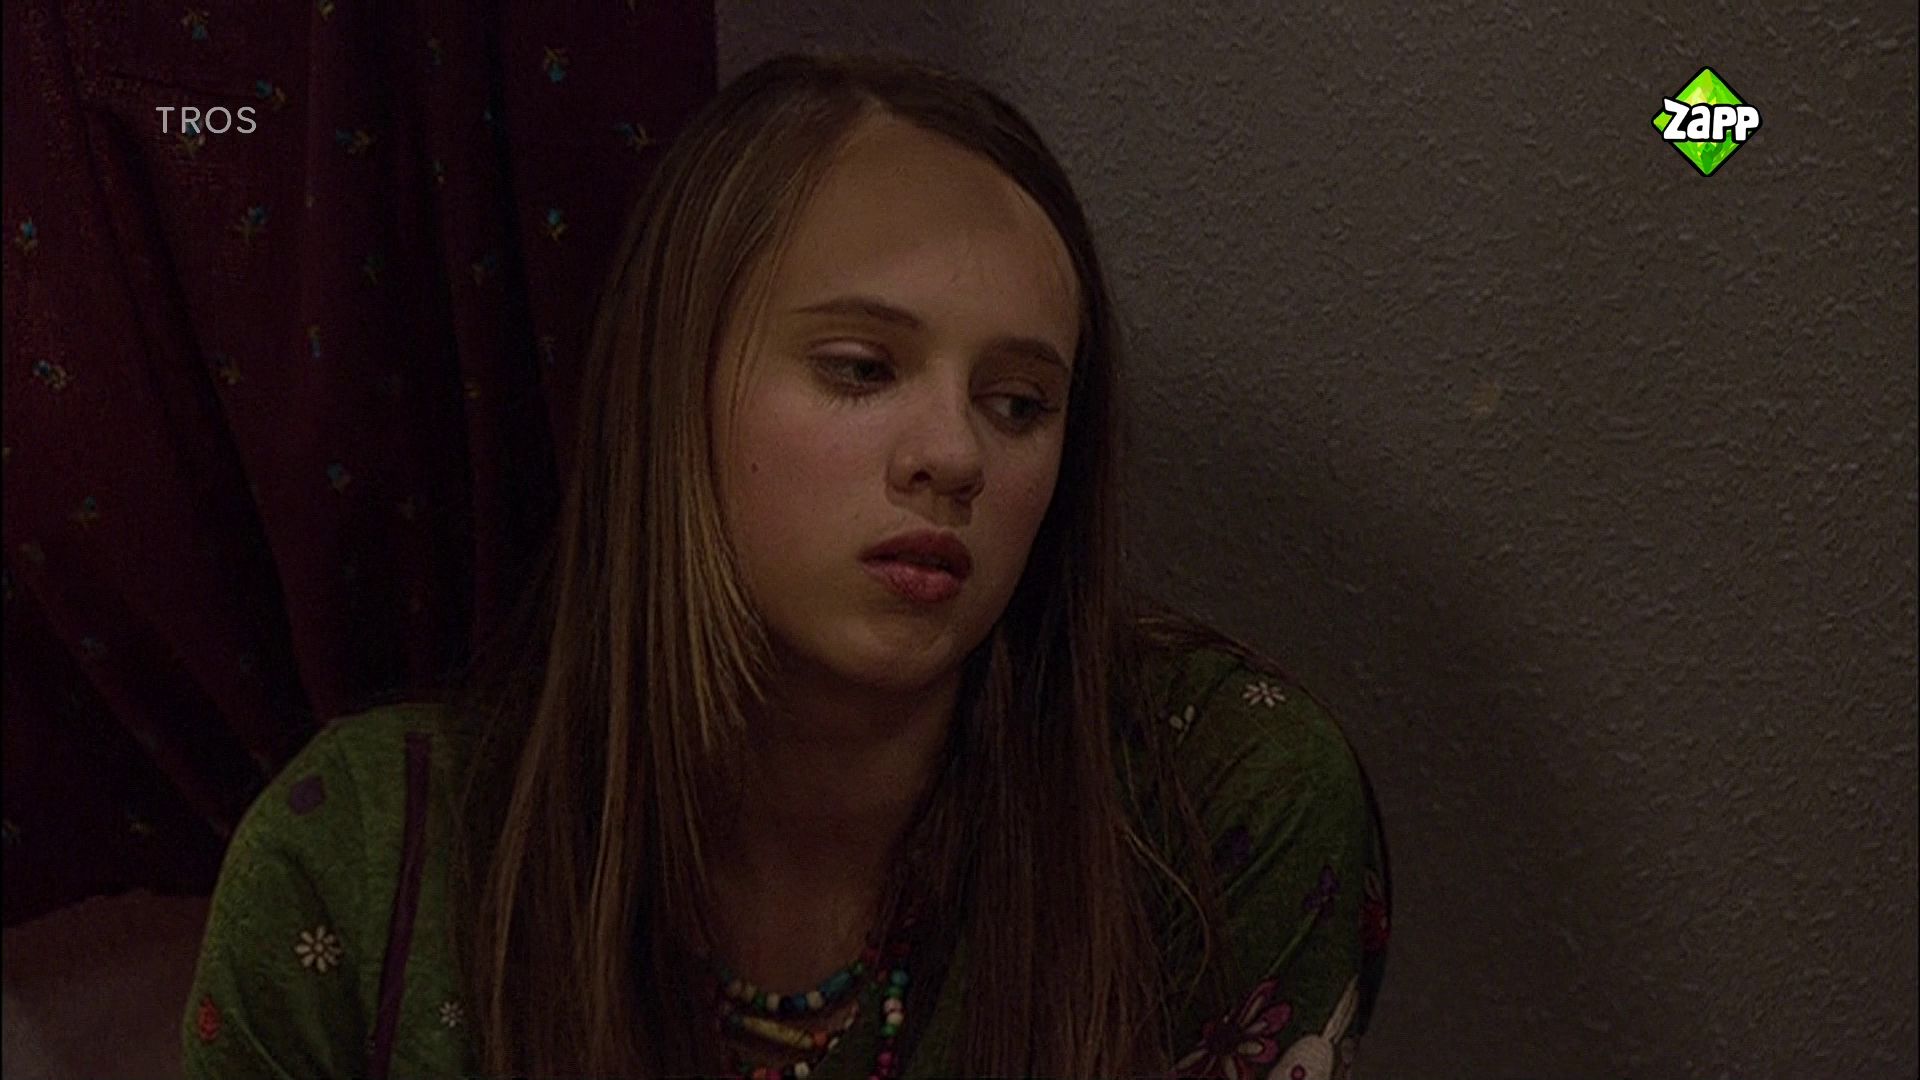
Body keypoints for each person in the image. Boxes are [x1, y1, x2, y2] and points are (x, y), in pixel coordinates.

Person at [180, 52, 1390, 1079]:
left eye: (1019, 402)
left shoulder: (1211, 804)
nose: (953, 454)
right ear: (672, 393)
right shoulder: (360, 869)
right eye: (862, 369)